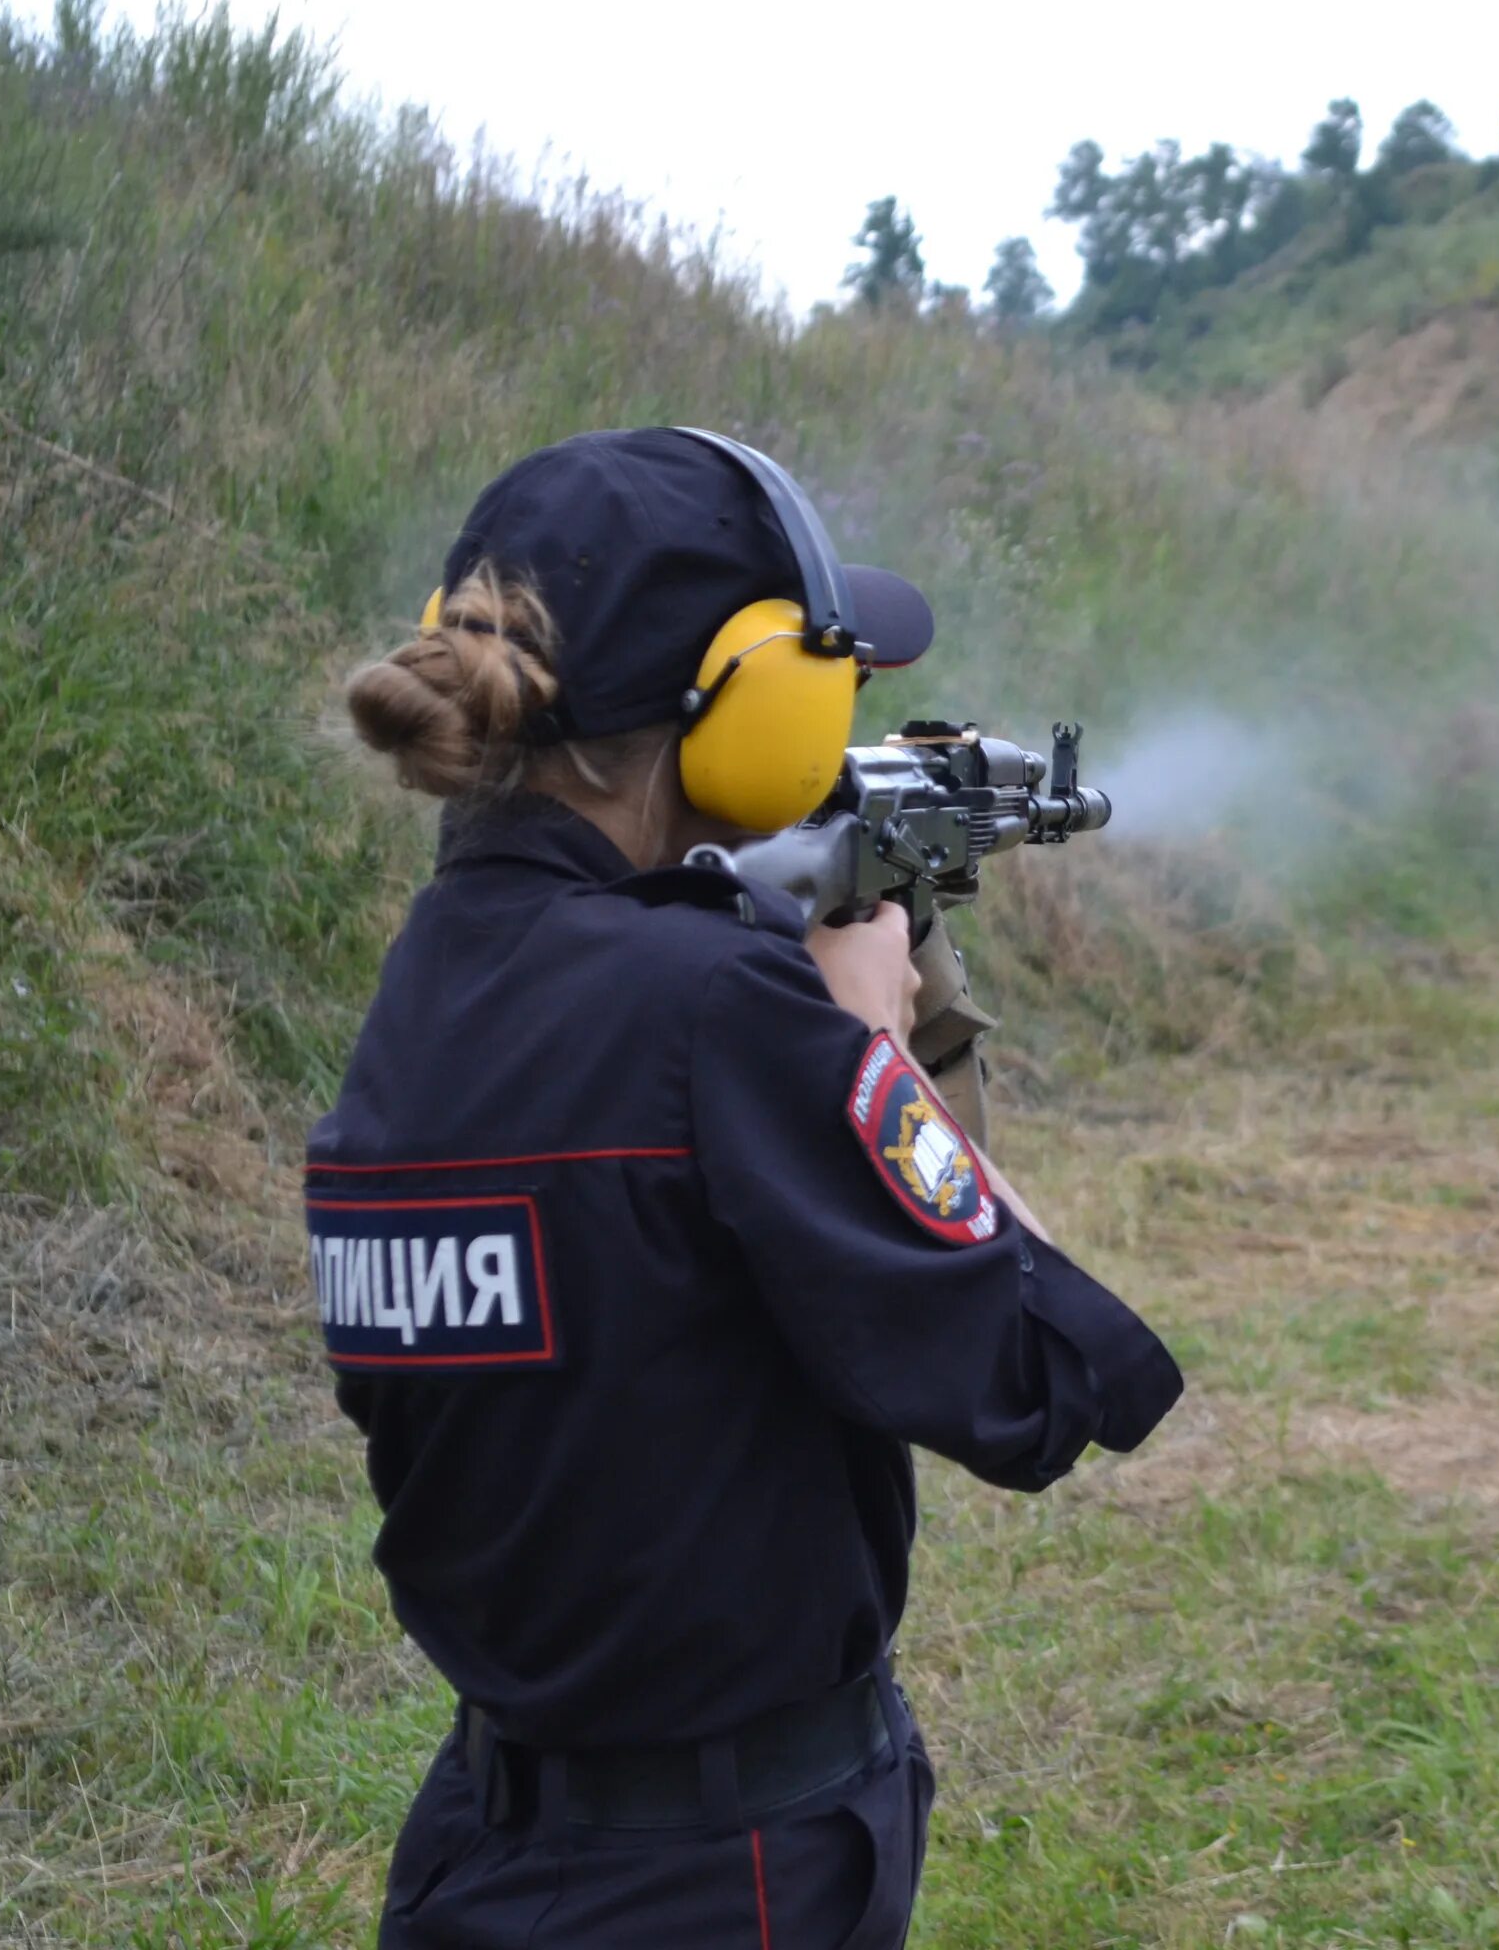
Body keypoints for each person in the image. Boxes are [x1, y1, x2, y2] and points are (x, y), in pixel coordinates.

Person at [310, 427, 1181, 1947]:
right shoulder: (722, 1015)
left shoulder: (430, 980)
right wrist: (866, 1042)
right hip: (728, 1877)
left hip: (487, 1846)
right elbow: (1037, 1377)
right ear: (760, 696)